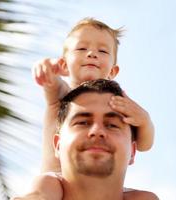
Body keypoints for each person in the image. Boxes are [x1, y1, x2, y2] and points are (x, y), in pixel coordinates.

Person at [33, 17, 154, 173]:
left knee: (144, 197)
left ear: (112, 71)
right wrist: (46, 67)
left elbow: (144, 145)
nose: (91, 54)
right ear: (64, 64)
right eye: (81, 49)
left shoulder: (117, 103)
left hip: (97, 187)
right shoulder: (62, 95)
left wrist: (145, 121)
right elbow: (50, 81)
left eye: (102, 51)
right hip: (57, 181)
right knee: (44, 186)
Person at [14, 79, 158, 200]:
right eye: (83, 122)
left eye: (112, 125)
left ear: (132, 152)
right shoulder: (45, 187)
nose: (97, 131)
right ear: (58, 145)